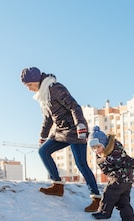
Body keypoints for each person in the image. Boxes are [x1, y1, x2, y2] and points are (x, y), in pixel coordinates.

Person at [20, 67, 100, 212]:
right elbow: (48, 118)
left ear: (36, 80)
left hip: (75, 129)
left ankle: (96, 198)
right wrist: (43, 136)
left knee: (81, 164)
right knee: (43, 151)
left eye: (29, 85)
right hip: (61, 131)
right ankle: (57, 185)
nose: (29, 89)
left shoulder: (55, 88)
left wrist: (81, 125)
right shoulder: (43, 95)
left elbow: (74, 106)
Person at [87, 127, 134, 221]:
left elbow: (127, 159)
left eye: (98, 147)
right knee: (122, 201)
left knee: (109, 193)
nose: (96, 150)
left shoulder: (115, 152)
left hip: (120, 177)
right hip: (124, 180)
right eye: (93, 148)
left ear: (104, 144)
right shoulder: (102, 155)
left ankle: (104, 212)